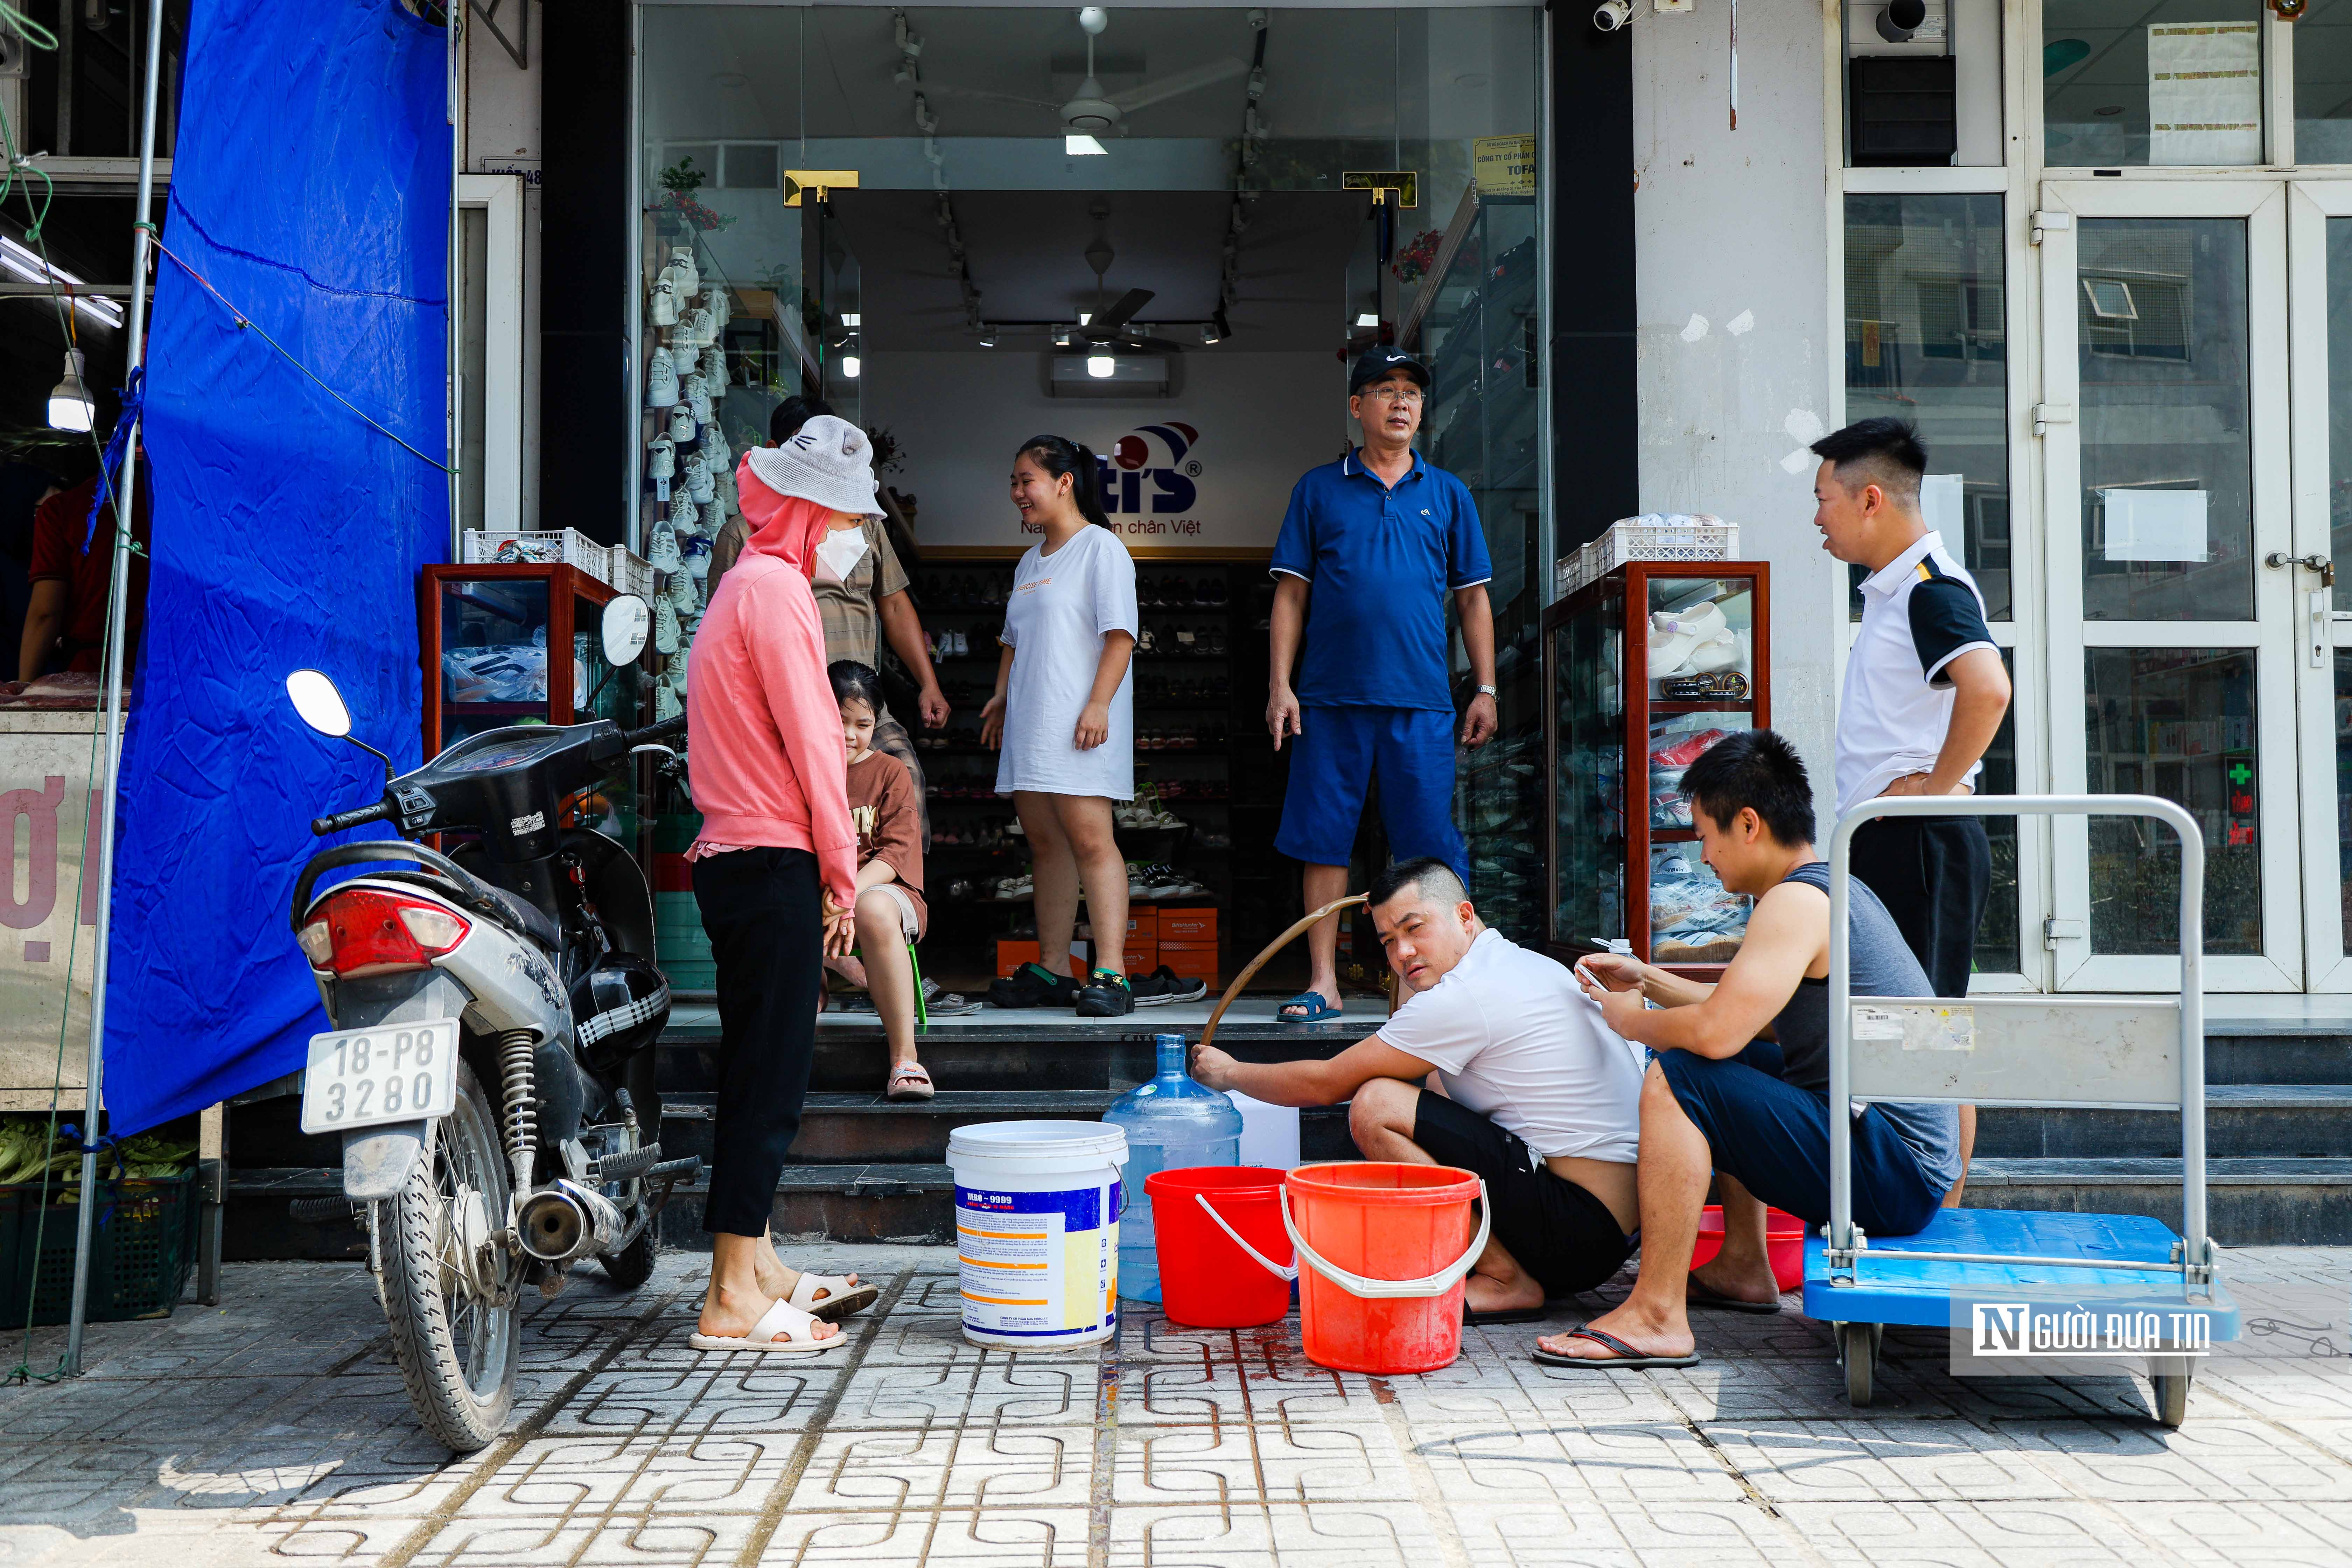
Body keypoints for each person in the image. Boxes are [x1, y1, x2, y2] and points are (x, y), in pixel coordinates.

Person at [1535, 730, 1962, 1369]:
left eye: (1705, 835)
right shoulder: (1829, 887)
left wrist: (1631, 1023)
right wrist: (1648, 979)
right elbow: (1755, 1024)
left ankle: (1657, 1315)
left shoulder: (1795, 902)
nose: (1703, 856)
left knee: (1683, 1074)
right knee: (1718, 1066)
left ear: (1749, 823)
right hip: (1897, 1156)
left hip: (1888, 1170)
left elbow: (1716, 1032)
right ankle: (1744, 1266)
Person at [1192, 856, 1642, 1316]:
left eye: (1415, 928)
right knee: (1434, 1081)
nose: (1402, 952)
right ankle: (1486, 1261)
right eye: (1389, 940)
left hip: (1579, 1230)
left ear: (1464, 916)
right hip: (1609, 1229)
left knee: (1377, 1105)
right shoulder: (1519, 962)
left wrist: (1228, 1073)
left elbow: (1327, 1084)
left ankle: (1505, 1278)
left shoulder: (1466, 996)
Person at [684, 414, 887, 1355]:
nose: (859, 536)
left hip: (736, 856)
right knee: (769, 1077)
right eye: (851, 518)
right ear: (815, 512)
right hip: (773, 860)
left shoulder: (744, 585)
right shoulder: (778, 591)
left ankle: (757, 1261)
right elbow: (815, 743)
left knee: (759, 1070)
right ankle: (731, 1292)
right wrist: (841, 874)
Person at [1266, 345, 1498, 1024]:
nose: (1402, 402)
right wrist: (1281, 684)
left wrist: (1484, 688)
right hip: (1330, 699)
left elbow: (1475, 600)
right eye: (1386, 389)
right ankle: (1323, 984)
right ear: (1356, 405)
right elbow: (1290, 596)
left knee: (1428, 849)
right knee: (1322, 841)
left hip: (1421, 702)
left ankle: (1431, 991)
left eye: (1412, 393)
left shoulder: (1449, 493)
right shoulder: (1318, 489)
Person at [1811, 417, 2011, 1204]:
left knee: (1933, 1033)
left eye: (1823, 499)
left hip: (1922, 841)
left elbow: (1989, 686)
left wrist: (1936, 785)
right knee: (1910, 1027)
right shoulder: (1896, 591)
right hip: (1894, 839)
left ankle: (1947, 1215)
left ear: (1869, 498)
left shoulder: (1931, 588)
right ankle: (1933, 1209)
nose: (1816, 518)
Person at [980, 433, 1166, 1018]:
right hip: (1031, 724)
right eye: (1013, 482)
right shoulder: (1029, 561)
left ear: (1064, 482)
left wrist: (1098, 705)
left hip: (1081, 724)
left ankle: (1112, 973)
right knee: (1044, 844)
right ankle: (1056, 969)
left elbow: (1121, 636)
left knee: (1092, 841)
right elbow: (1014, 640)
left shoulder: (1101, 549)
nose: (1018, 493)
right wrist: (1000, 698)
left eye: (1026, 480)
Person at [715, 396, 951, 852]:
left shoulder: (862, 523)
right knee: (802, 829)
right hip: (781, 716)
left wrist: (929, 683)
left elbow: (895, 605)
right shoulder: (742, 534)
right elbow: (724, 646)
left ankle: (895, 912)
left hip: (863, 709)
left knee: (903, 792)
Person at [829, 659, 943, 1100]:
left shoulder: (890, 772)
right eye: (840, 721)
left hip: (885, 893)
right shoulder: (801, 769)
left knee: (872, 908)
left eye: (863, 723)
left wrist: (845, 895)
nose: (851, 735)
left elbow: (895, 855)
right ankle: (834, 963)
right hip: (826, 896)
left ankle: (905, 1057)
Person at [21, 460, 148, 683]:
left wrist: (24, 692)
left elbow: (45, 614)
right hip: (171, 672)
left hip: (91, 674)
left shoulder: (63, 510)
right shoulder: (188, 506)